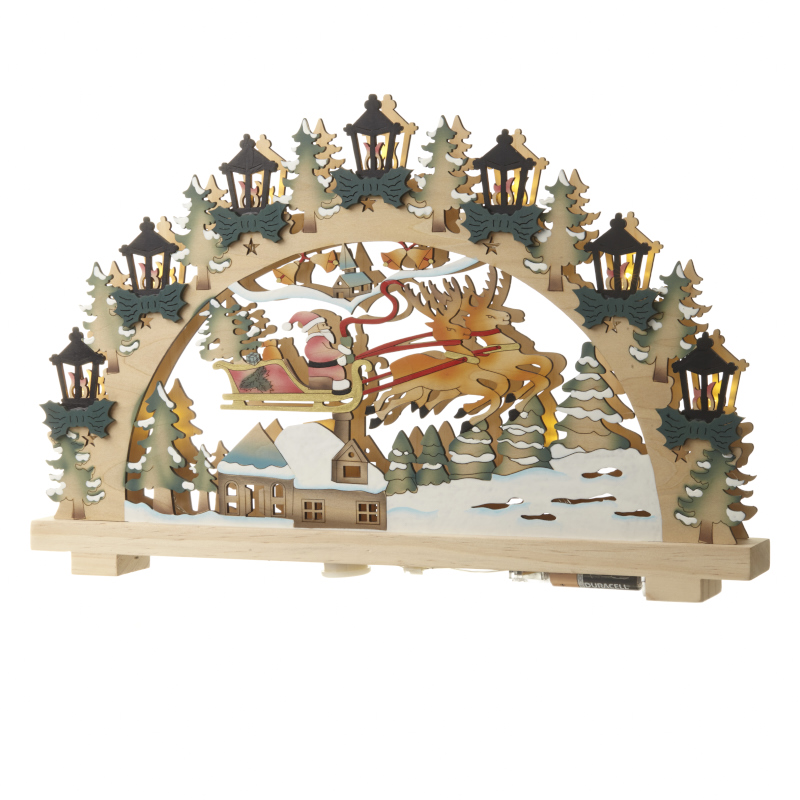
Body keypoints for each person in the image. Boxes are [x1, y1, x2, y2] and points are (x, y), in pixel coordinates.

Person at [282, 311, 352, 394]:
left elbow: (327, 351)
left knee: (338, 376)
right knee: (333, 377)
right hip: (320, 371)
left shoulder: (323, 338)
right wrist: (339, 353)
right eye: (323, 325)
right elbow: (320, 354)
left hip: (329, 370)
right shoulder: (314, 341)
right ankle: (336, 387)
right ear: (315, 327)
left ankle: (340, 386)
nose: (328, 327)